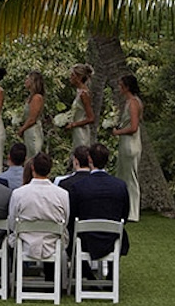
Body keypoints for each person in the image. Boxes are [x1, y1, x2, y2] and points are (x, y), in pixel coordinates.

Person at [58, 144, 130, 260]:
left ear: (89, 159)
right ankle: (110, 270)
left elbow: (71, 217)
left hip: (85, 239)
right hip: (112, 239)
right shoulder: (120, 186)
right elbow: (124, 215)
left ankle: (84, 270)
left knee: (71, 230)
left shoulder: (78, 187)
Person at [6, 152, 70, 263]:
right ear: (50, 170)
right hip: (53, 244)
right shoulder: (62, 194)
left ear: (32, 167)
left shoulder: (18, 194)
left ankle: (15, 277)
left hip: (25, 244)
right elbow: (65, 221)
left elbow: (12, 224)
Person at [111, 73, 144, 222]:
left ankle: (133, 212)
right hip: (126, 143)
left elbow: (134, 127)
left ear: (127, 87)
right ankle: (124, 209)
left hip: (131, 143)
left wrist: (118, 132)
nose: (119, 88)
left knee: (131, 177)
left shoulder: (133, 103)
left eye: (121, 85)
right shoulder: (129, 102)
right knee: (123, 175)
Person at [65, 63, 98, 153]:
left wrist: (74, 124)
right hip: (76, 132)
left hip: (81, 132)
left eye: (72, 75)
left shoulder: (84, 94)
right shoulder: (79, 92)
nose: (70, 77)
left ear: (79, 77)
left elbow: (91, 118)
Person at [19, 71, 48, 160]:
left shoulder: (37, 98)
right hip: (28, 131)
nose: (25, 80)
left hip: (33, 131)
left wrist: (21, 129)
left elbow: (32, 119)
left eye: (27, 79)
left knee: (33, 155)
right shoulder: (31, 97)